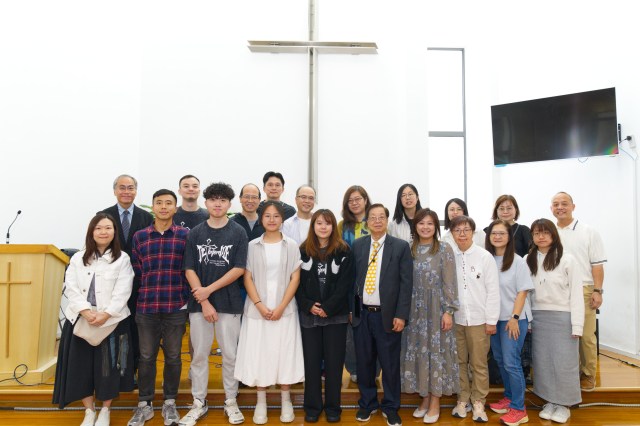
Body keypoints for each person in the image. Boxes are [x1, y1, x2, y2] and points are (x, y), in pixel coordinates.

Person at [53, 213, 135, 426]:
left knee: (108, 368)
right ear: (91, 231)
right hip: (81, 320)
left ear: (114, 232)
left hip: (112, 321)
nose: (103, 232)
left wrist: (106, 314)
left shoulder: (122, 259)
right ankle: (89, 411)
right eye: (98, 228)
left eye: (108, 228)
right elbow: (70, 287)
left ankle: (105, 410)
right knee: (81, 368)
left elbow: (123, 290)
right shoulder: (78, 258)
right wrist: (85, 311)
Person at [180, 183, 249, 426]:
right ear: (206, 202)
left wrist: (208, 291)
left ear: (229, 204)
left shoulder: (238, 232)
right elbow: (189, 268)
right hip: (200, 305)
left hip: (229, 303)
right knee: (199, 355)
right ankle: (199, 402)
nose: (217, 204)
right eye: (213, 199)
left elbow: (239, 268)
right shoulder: (195, 233)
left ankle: (231, 400)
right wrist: (205, 300)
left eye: (222, 200)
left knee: (230, 354)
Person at [234, 201, 304, 424]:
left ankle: (286, 400)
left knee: (285, 353)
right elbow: (247, 277)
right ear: (261, 219)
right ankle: (261, 401)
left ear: (282, 219)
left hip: (285, 310)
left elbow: (295, 278)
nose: (272, 220)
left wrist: (281, 306)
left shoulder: (291, 245)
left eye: (276, 216)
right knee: (259, 354)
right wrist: (260, 305)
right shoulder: (252, 245)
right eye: (267, 216)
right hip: (258, 311)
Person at [128, 189, 189, 426]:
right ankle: (144, 404)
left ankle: (170, 402)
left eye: (168, 203)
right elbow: (137, 270)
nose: (164, 207)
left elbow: (189, 270)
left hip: (175, 305)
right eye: (159, 203)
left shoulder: (185, 235)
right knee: (146, 357)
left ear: (175, 207)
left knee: (173, 357)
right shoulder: (140, 237)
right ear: (152, 207)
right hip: (147, 306)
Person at [351, 203, 413, 426]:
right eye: (373, 217)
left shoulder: (400, 247)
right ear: (367, 222)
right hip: (362, 315)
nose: (377, 221)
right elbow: (351, 281)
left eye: (381, 217)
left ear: (387, 221)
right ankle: (367, 404)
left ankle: (390, 406)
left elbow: (406, 285)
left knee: (389, 365)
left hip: (388, 316)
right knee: (364, 363)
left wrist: (401, 315)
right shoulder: (358, 246)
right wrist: (352, 310)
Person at [401, 208, 459, 424]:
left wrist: (448, 311)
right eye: (421, 223)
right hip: (413, 311)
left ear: (436, 227)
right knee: (419, 354)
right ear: (415, 226)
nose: (425, 227)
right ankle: (424, 398)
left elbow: (450, 282)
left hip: (436, 310)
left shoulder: (444, 249)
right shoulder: (408, 249)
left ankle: (435, 402)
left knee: (436, 355)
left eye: (430, 223)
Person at [296, 209, 353, 423]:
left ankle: (333, 408)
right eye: (319, 223)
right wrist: (309, 305)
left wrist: (328, 307)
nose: (323, 227)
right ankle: (312, 407)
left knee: (333, 365)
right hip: (309, 316)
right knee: (311, 364)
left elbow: (345, 284)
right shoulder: (302, 250)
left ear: (333, 226)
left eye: (327, 223)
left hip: (335, 317)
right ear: (313, 226)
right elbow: (296, 283)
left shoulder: (343, 250)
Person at [526, 219, 584, 424]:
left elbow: (576, 293)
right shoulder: (528, 259)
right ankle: (550, 401)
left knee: (564, 363)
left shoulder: (567, 259)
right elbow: (525, 294)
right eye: (536, 233)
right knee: (542, 363)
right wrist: (529, 321)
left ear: (553, 235)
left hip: (563, 317)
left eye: (545, 232)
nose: (541, 237)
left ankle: (564, 404)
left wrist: (577, 324)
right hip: (538, 316)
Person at [551, 192, 606, 392]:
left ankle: (588, 374)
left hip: (584, 288)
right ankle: (568, 372)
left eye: (564, 203)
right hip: (557, 290)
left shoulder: (588, 232)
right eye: (556, 204)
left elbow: (597, 265)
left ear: (573, 206)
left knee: (586, 334)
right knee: (563, 334)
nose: (560, 207)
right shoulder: (550, 232)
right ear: (551, 209)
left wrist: (597, 291)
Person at [449, 215, 499, 423]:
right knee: (459, 361)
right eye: (457, 230)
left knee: (478, 363)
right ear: (452, 233)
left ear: (473, 232)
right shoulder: (449, 256)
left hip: (479, 319)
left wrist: (491, 320)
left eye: (466, 230)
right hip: (456, 319)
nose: (462, 234)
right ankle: (463, 399)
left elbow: (493, 290)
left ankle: (479, 401)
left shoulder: (484, 256)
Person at [101, 174, 153, 371]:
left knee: (135, 326)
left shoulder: (146, 217)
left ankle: (133, 368)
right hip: (110, 281)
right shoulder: (103, 216)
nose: (126, 191)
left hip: (139, 282)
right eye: (122, 187)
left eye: (130, 188)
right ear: (115, 191)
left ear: (136, 191)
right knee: (113, 324)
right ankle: (112, 369)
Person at [485, 220, 534, 426]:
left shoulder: (518, 261)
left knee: (511, 362)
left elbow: (523, 291)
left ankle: (519, 408)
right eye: (494, 233)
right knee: (500, 360)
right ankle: (509, 397)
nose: (497, 237)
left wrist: (514, 318)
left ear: (509, 237)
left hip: (513, 319)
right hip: (494, 319)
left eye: (502, 233)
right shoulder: (487, 259)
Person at [337, 185, 371, 383]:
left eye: (358, 199)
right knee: (353, 325)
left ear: (366, 200)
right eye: (350, 200)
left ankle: (373, 368)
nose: (355, 203)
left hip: (373, 282)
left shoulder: (375, 221)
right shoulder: (343, 225)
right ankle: (354, 368)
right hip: (351, 284)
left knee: (372, 325)